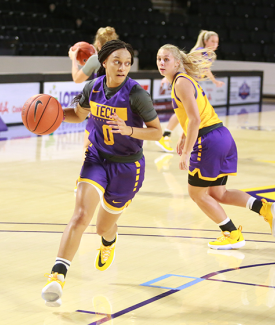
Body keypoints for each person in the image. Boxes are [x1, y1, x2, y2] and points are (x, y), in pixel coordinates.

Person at [42, 40, 162, 307]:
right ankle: (57, 276)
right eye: (117, 61)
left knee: (102, 227)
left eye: (127, 63)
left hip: (128, 166)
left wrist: (130, 130)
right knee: (81, 215)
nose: (122, 67)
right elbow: (79, 114)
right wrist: (54, 115)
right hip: (96, 158)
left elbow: (157, 131)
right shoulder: (93, 87)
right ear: (104, 62)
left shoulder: (137, 94)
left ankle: (109, 240)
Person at [156, 44, 275, 250]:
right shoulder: (184, 81)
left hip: (207, 141)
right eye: (159, 59)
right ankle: (265, 208)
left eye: (166, 59)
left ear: (177, 62)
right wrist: (185, 135)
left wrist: (187, 151)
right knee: (218, 193)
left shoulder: (180, 83)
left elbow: (195, 119)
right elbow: (194, 117)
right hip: (221, 137)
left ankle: (232, 233)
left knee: (197, 194)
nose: (162, 63)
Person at [156, 30, 225, 153]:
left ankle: (168, 135)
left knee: (187, 114)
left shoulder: (209, 55)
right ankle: (165, 135)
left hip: (191, 84)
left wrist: (214, 81)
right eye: (213, 41)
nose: (215, 44)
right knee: (183, 113)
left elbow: (206, 69)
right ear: (206, 41)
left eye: (217, 42)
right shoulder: (198, 51)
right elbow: (181, 63)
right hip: (185, 83)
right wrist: (167, 77)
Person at [69, 27, 120, 156]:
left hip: (99, 107)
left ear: (98, 44)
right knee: (111, 150)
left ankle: (88, 176)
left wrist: (74, 59)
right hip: (117, 108)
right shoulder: (121, 60)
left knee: (87, 147)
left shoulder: (95, 59)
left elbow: (77, 78)